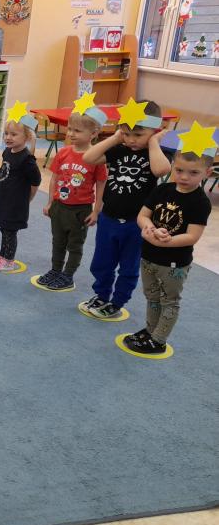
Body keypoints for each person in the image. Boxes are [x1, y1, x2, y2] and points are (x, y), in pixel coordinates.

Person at [80, 100, 170, 319]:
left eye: (138, 134)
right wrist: (115, 137)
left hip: (135, 223)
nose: (131, 139)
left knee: (128, 267)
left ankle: (117, 302)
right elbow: (88, 157)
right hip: (109, 218)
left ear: (154, 131)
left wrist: (153, 142)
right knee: (101, 262)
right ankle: (101, 295)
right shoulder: (120, 149)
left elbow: (161, 170)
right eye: (126, 133)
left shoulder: (156, 153)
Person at [125, 150, 212, 354]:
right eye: (179, 170)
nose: (184, 177)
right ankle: (151, 330)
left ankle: (159, 340)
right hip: (149, 256)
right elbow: (143, 216)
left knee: (169, 300)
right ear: (173, 165)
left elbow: (192, 236)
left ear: (207, 173)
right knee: (152, 296)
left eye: (193, 172)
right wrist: (149, 229)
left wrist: (167, 241)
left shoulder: (200, 202)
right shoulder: (162, 190)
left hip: (174, 263)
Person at [37, 102, 108, 291]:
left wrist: (96, 211)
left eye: (77, 130)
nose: (71, 134)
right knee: (58, 241)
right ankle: (55, 270)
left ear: (94, 133)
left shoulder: (97, 158)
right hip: (59, 207)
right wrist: (50, 202)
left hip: (80, 210)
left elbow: (101, 185)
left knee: (75, 245)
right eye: (70, 129)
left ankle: (67, 275)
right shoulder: (63, 152)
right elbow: (55, 178)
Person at [0, 112, 41, 272]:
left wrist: (28, 198)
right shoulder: (8, 152)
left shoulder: (27, 159)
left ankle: (8, 261)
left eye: (14, 134)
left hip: (16, 202)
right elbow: (7, 170)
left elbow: (36, 180)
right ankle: (2, 256)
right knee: (4, 229)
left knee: (10, 231)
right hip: (5, 198)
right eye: (6, 133)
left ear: (27, 137)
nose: (8, 137)